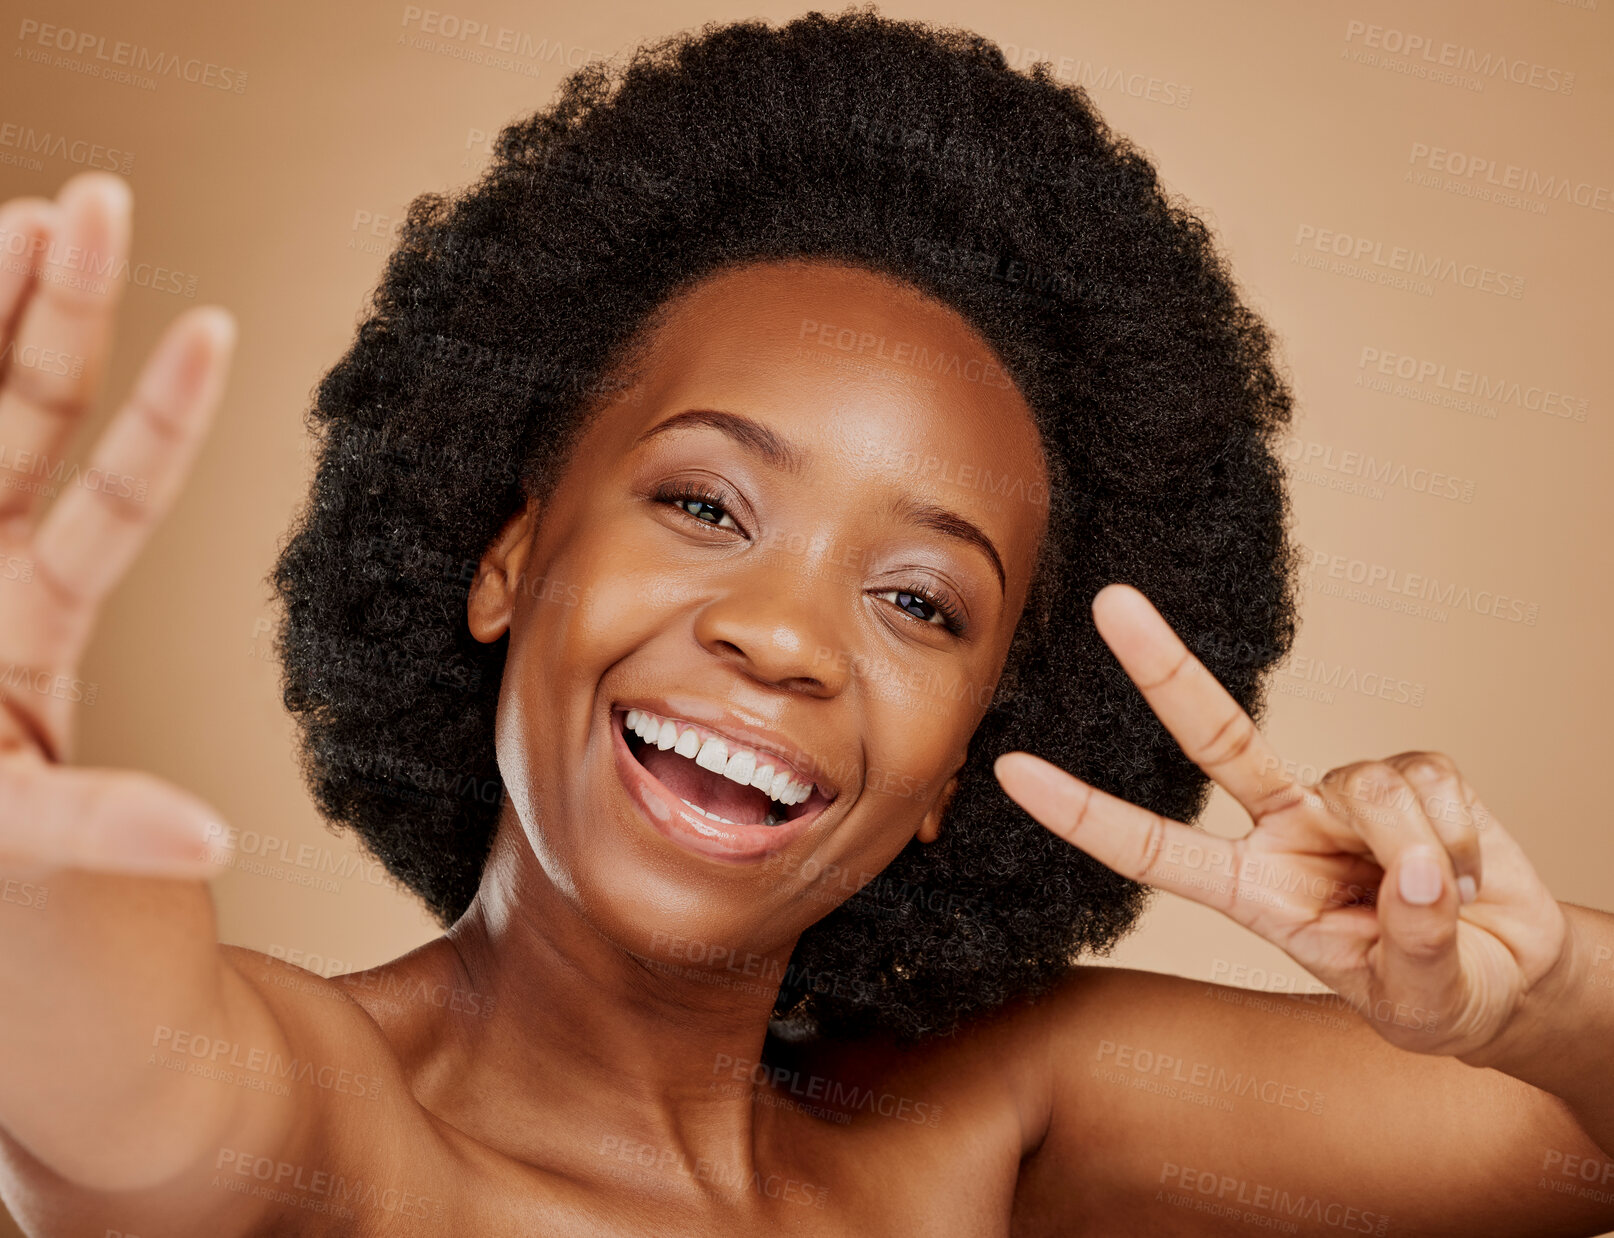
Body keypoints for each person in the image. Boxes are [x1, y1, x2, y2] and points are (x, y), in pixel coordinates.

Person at [2, 9, 1612, 1236]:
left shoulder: (991, 1128)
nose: (783, 638)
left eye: (917, 599)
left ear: (959, 770)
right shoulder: (333, 1129)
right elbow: (108, 1083)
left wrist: (1527, 1006)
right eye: (703, 504)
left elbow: (1573, 1139)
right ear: (505, 555)